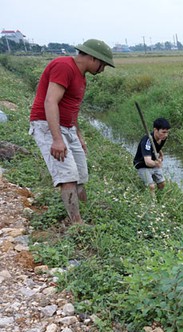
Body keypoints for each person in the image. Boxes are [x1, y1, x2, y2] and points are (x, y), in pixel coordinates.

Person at [29, 39, 115, 224]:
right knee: (67, 176)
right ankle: (77, 224)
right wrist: (57, 139)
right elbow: (50, 102)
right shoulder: (64, 66)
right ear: (92, 57)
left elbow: (72, 109)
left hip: (69, 128)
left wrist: (79, 136)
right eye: (103, 64)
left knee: (81, 174)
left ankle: (83, 211)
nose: (102, 70)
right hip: (48, 125)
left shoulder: (81, 77)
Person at [133, 117, 171, 193]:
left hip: (154, 162)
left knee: (162, 183)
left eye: (167, 132)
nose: (166, 135)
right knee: (151, 186)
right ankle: (152, 203)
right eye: (163, 132)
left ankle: (160, 197)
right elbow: (148, 162)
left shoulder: (162, 138)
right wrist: (157, 163)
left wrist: (161, 154)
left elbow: (157, 147)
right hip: (142, 165)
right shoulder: (147, 141)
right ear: (155, 130)